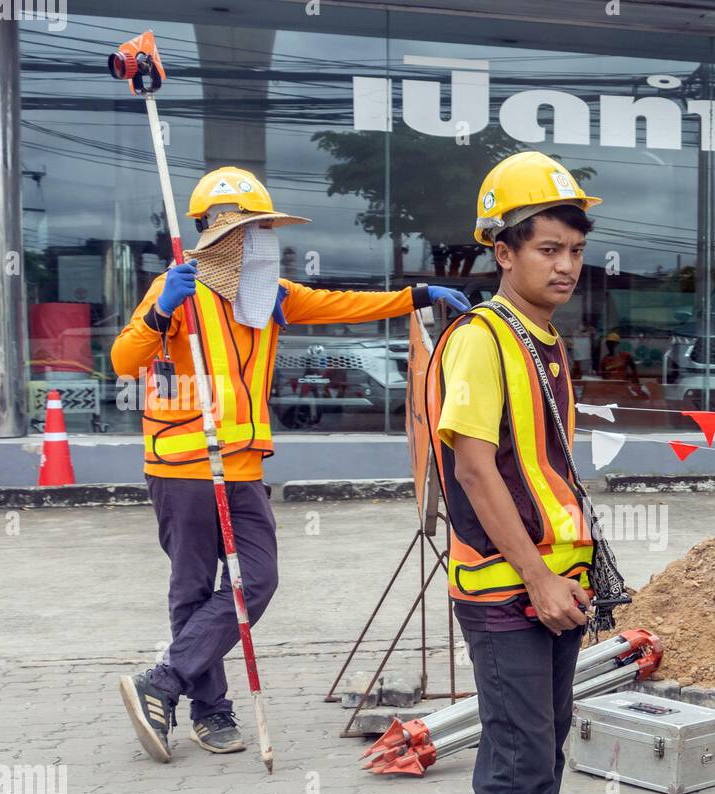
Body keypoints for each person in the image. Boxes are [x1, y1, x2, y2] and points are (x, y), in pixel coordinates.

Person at [112, 166, 468, 763]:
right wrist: (158, 314)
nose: (257, 240)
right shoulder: (176, 290)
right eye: (246, 230)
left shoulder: (270, 295)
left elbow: (345, 304)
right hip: (182, 465)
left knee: (257, 579)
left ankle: (163, 680)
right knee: (193, 590)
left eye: (263, 229)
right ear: (212, 233)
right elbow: (126, 359)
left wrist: (419, 295)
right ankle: (211, 711)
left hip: (243, 466)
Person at [429, 151, 611, 794]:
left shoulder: (542, 344)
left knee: (542, 758)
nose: (565, 264)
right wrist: (538, 576)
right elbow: (472, 467)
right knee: (513, 767)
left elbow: (537, 467)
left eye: (574, 249)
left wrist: (566, 574)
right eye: (547, 247)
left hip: (551, 591)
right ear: (502, 251)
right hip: (509, 593)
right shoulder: (481, 339)